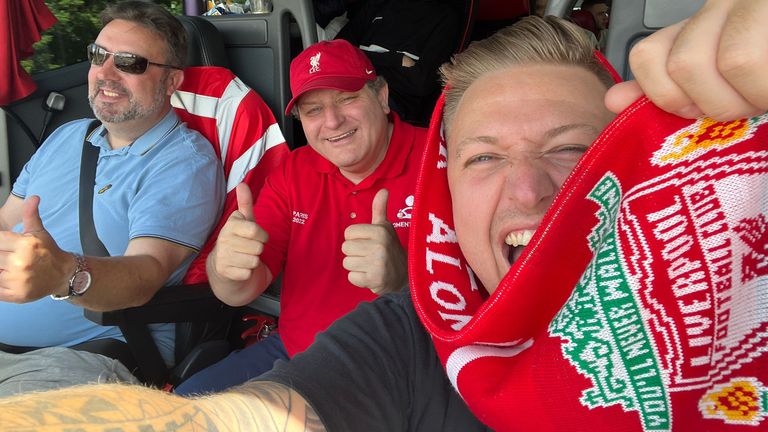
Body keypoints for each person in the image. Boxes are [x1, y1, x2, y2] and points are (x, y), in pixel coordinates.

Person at [1, 0, 766, 430]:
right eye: (487, 158)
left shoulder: (730, 297)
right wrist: (237, 273)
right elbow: (242, 339)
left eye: (569, 151)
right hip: (304, 363)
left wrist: (401, 277)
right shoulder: (296, 178)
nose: (528, 189)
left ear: (380, 97)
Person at [173, 38, 427, 395]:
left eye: (347, 98)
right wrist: (225, 267)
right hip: (298, 355)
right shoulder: (292, 171)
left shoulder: (440, 161)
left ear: (381, 96)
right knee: (183, 408)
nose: (333, 121)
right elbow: (241, 289)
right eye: (313, 110)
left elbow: (487, 300)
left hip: (403, 367)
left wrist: (403, 284)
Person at [0, 0, 224, 396]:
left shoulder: (183, 162)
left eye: (129, 63)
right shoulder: (67, 136)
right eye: (98, 56)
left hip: (73, 357)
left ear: (172, 82)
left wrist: (64, 273)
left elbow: (146, 273)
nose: (104, 73)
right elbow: (5, 223)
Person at [336, 0, 460, 125]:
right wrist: (397, 60)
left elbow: (421, 83)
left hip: (394, 100)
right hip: (348, 84)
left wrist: (362, 59)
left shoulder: (445, 16)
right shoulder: (377, 5)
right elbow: (336, 51)